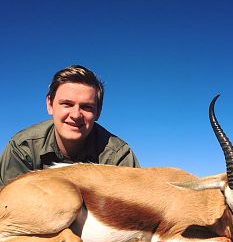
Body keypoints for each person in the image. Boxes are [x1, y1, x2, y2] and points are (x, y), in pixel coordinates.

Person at [0, 65, 140, 186]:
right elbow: (10, 206)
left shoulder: (118, 155)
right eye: (67, 104)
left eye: (87, 107)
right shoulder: (23, 148)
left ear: (98, 112)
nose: (76, 115)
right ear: (50, 104)